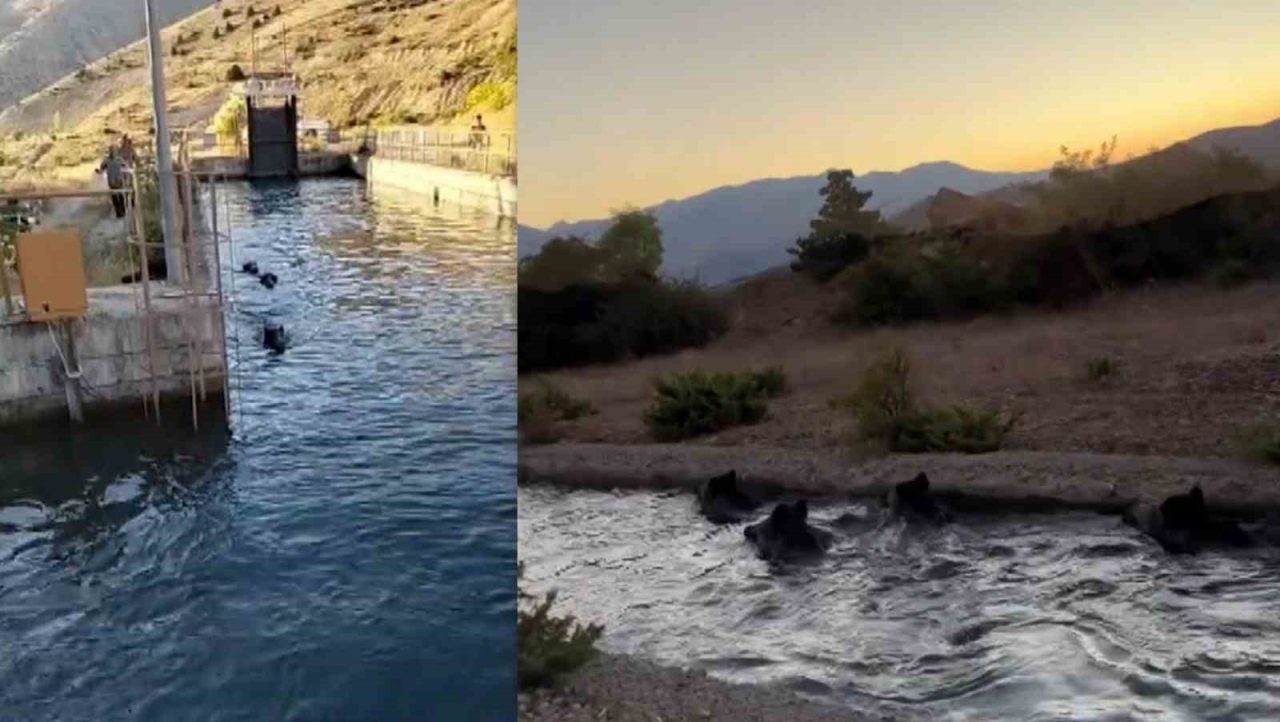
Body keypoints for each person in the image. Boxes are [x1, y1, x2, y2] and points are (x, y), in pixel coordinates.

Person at [97, 148, 126, 219]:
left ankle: (122, 210)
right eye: (111, 151)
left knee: (120, 195)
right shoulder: (106, 160)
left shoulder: (119, 159)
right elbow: (102, 169)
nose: (112, 153)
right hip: (112, 181)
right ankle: (118, 212)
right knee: (115, 196)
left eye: (113, 151)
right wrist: (99, 171)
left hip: (118, 180)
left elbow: (124, 165)